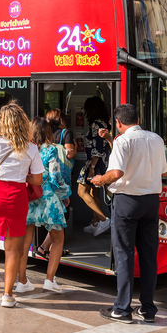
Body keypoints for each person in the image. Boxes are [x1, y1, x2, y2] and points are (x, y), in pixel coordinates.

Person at [91, 103, 167, 323]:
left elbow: (116, 172)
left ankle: (122, 309)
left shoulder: (122, 141)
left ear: (118, 123)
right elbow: (162, 170)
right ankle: (148, 309)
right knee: (148, 256)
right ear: (138, 118)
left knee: (124, 255)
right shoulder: (156, 139)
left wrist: (100, 180)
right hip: (151, 201)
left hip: (126, 202)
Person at [0, 102, 43, 308]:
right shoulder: (31, 146)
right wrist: (20, 177)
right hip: (17, 195)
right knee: (13, 248)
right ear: (22, 122)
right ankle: (8, 295)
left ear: (1, 123)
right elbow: (37, 180)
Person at [17, 117, 71, 294]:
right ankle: (49, 280)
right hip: (48, 198)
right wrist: (65, 195)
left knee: (25, 242)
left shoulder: (24, 149)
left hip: (29, 198)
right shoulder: (51, 150)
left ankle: (22, 280)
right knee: (58, 240)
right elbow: (56, 177)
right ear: (48, 132)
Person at [37, 108, 75, 258]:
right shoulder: (66, 133)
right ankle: (45, 247)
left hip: (44, 182)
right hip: (60, 176)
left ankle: (49, 247)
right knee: (60, 216)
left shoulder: (44, 135)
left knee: (54, 217)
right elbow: (70, 153)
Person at [77, 96, 111, 236]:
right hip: (102, 163)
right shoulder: (104, 122)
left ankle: (103, 220)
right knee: (93, 192)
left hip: (96, 163)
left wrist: (91, 167)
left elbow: (98, 148)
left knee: (82, 191)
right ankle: (96, 223)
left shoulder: (97, 123)